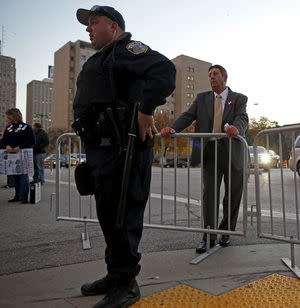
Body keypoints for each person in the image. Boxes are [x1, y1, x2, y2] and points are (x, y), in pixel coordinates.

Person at [73, 5, 175, 308]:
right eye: (87, 24)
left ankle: (127, 285)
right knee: (109, 217)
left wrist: (145, 111)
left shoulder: (127, 50)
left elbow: (165, 71)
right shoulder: (104, 57)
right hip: (103, 151)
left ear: (114, 27)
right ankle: (115, 275)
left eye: (94, 22)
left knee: (122, 218)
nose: (88, 29)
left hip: (124, 151)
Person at [161, 64, 248, 254]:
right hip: (210, 150)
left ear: (225, 77)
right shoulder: (202, 99)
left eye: (215, 74)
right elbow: (187, 116)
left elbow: (242, 118)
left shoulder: (239, 99)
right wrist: (172, 128)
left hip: (233, 151)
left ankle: (225, 231)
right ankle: (208, 236)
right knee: (210, 195)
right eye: (209, 75)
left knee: (233, 195)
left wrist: (236, 129)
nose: (212, 78)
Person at [0, 108, 35, 203]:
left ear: (15, 115)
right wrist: (6, 145)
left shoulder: (26, 127)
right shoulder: (8, 128)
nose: (7, 117)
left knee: (23, 176)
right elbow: (3, 141)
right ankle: (17, 196)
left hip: (23, 155)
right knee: (15, 176)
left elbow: (32, 141)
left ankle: (23, 197)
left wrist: (20, 147)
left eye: (9, 115)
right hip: (11, 156)